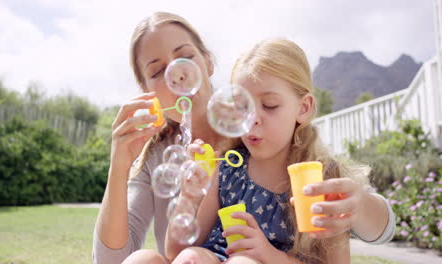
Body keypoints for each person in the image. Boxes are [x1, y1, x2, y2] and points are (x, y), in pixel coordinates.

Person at [93, 12, 395, 264]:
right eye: (159, 71)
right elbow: (142, 255)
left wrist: (359, 204)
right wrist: (125, 168)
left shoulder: (309, 171)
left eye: (185, 57)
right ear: (145, 88)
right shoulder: (221, 167)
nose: (178, 74)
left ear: (208, 63)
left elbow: (374, 228)